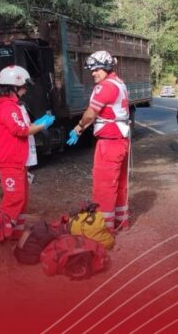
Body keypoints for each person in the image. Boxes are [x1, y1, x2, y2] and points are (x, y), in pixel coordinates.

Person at [0, 65, 55, 238]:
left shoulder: (9, 105)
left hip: (15, 159)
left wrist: (37, 123)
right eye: (23, 86)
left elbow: (21, 126)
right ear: (14, 87)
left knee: (21, 199)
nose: (25, 90)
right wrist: (42, 125)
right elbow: (21, 130)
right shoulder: (7, 107)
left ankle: (15, 234)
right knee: (14, 199)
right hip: (10, 160)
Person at [65, 51, 131, 233]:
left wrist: (79, 126)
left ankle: (102, 229)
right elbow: (104, 113)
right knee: (120, 184)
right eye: (92, 70)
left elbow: (90, 114)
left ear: (107, 67)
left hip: (109, 142)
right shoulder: (119, 83)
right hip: (121, 139)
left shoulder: (104, 87)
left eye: (96, 69)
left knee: (104, 186)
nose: (93, 73)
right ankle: (121, 222)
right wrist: (81, 128)